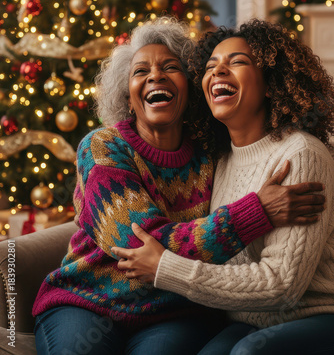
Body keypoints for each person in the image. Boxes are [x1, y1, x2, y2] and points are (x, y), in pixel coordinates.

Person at [33, 18, 325, 355]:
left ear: (188, 90)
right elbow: (142, 247)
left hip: (174, 311)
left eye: (170, 67)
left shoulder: (212, 155)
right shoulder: (102, 149)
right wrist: (256, 212)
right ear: (128, 96)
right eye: (141, 71)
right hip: (88, 302)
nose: (155, 75)